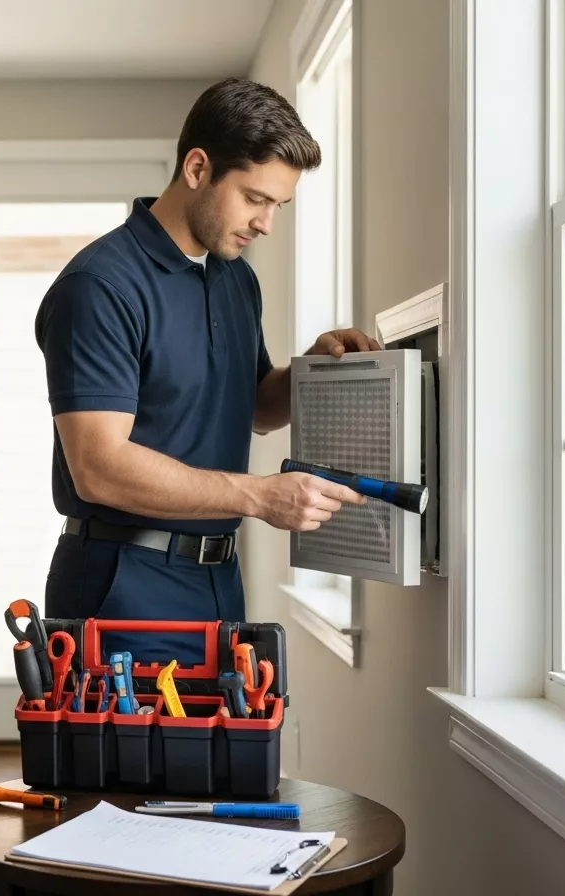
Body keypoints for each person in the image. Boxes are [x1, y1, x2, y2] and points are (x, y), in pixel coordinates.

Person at [33, 77, 379, 665]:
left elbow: (252, 410)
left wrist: (310, 371)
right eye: (254, 198)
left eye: (278, 205)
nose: (266, 223)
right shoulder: (100, 287)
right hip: (121, 584)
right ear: (197, 168)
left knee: (215, 758)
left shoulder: (233, 277)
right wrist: (258, 496)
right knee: (131, 761)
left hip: (217, 579)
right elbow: (98, 468)